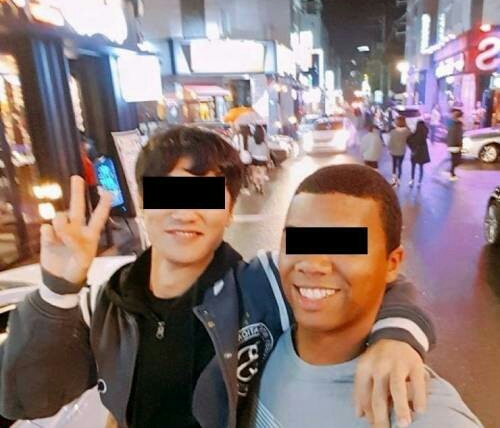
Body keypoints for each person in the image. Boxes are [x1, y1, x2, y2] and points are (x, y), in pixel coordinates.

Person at [0, 127, 436, 428]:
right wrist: (57, 290)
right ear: (144, 202)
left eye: (205, 197)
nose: (185, 213)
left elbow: (377, 279)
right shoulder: (104, 302)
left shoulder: (263, 285)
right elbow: (30, 398)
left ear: (229, 210)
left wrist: (396, 338)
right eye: (168, 194)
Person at [246, 164, 482, 428]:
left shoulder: (417, 409)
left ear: (392, 264)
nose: (312, 264)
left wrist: (399, 335)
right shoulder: (261, 343)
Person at [388, 116, 411, 187]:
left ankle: (393, 180)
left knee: (394, 165)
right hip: (402, 151)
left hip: (394, 151)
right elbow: (410, 133)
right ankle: (398, 181)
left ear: (397, 122)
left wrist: (389, 149)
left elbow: (390, 143)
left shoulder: (393, 132)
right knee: (400, 165)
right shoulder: (406, 131)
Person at [407, 121, 431, 188]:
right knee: (421, 167)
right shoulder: (425, 134)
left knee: (413, 167)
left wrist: (412, 147)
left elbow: (408, 139)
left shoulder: (415, 134)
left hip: (415, 152)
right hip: (422, 153)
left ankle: (412, 180)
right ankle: (419, 182)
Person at [248, 124, 270, 194]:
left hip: (254, 160)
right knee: (262, 174)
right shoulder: (264, 141)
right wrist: (268, 160)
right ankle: (261, 186)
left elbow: (249, 151)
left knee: (254, 174)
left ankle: (256, 185)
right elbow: (267, 151)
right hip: (263, 160)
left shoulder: (251, 140)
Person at [447, 109, 464, 181]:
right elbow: (458, 135)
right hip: (455, 145)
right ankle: (452, 173)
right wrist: (460, 145)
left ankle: (452, 172)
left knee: (454, 160)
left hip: (451, 144)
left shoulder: (451, 123)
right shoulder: (458, 124)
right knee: (456, 160)